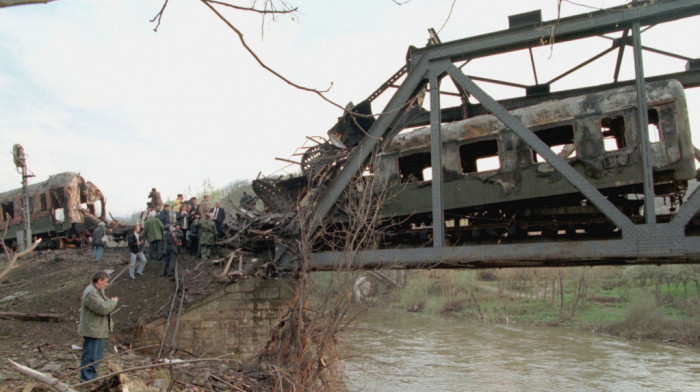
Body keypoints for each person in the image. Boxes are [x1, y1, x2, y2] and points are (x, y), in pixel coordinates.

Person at [78, 271, 119, 382]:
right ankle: (86, 378)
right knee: (90, 355)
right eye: (105, 281)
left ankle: (92, 376)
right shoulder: (91, 293)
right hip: (93, 329)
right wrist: (113, 302)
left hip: (98, 329)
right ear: (99, 280)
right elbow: (103, 308)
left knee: (96, 356)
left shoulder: (98, 291)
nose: (106, 284)